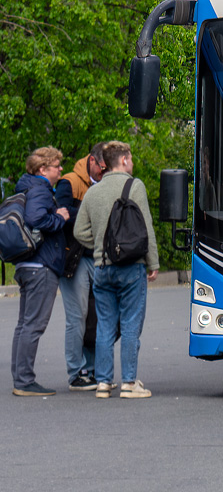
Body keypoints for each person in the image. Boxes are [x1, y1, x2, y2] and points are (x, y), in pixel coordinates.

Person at [74, 141, 158, 399]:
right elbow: (146, 228)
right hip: (131, 266)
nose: (132, 163)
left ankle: (103, 382)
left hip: (102, 268)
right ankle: (129, 383)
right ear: (123, 160)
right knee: (131, 324)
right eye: (130, 158)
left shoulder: (93, 192)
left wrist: (101, 246)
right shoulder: (135, 186)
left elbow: (79, 232)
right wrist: (152, 263)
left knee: (105, 326)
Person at [10, 146, 70, 396]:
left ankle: (20, 376)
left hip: (25, 263)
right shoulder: (41, 190)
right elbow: (37, 220)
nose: (60, 169)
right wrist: (60, 218)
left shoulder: (25, 187)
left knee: (24, 325)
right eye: (57, 166)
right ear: (43, 169)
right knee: (33, 325)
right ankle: (24, 381)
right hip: (41, 266)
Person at [55, 142, 106, 390]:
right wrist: (90, 216)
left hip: (97, 258)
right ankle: (75, 373)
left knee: (95, 317)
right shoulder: (69, 182)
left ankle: (94, 371)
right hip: (74, 259)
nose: (103, 172)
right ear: (92, 161)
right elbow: (62, 216)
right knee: (77, 317)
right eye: (101, 168)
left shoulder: (106, 181)